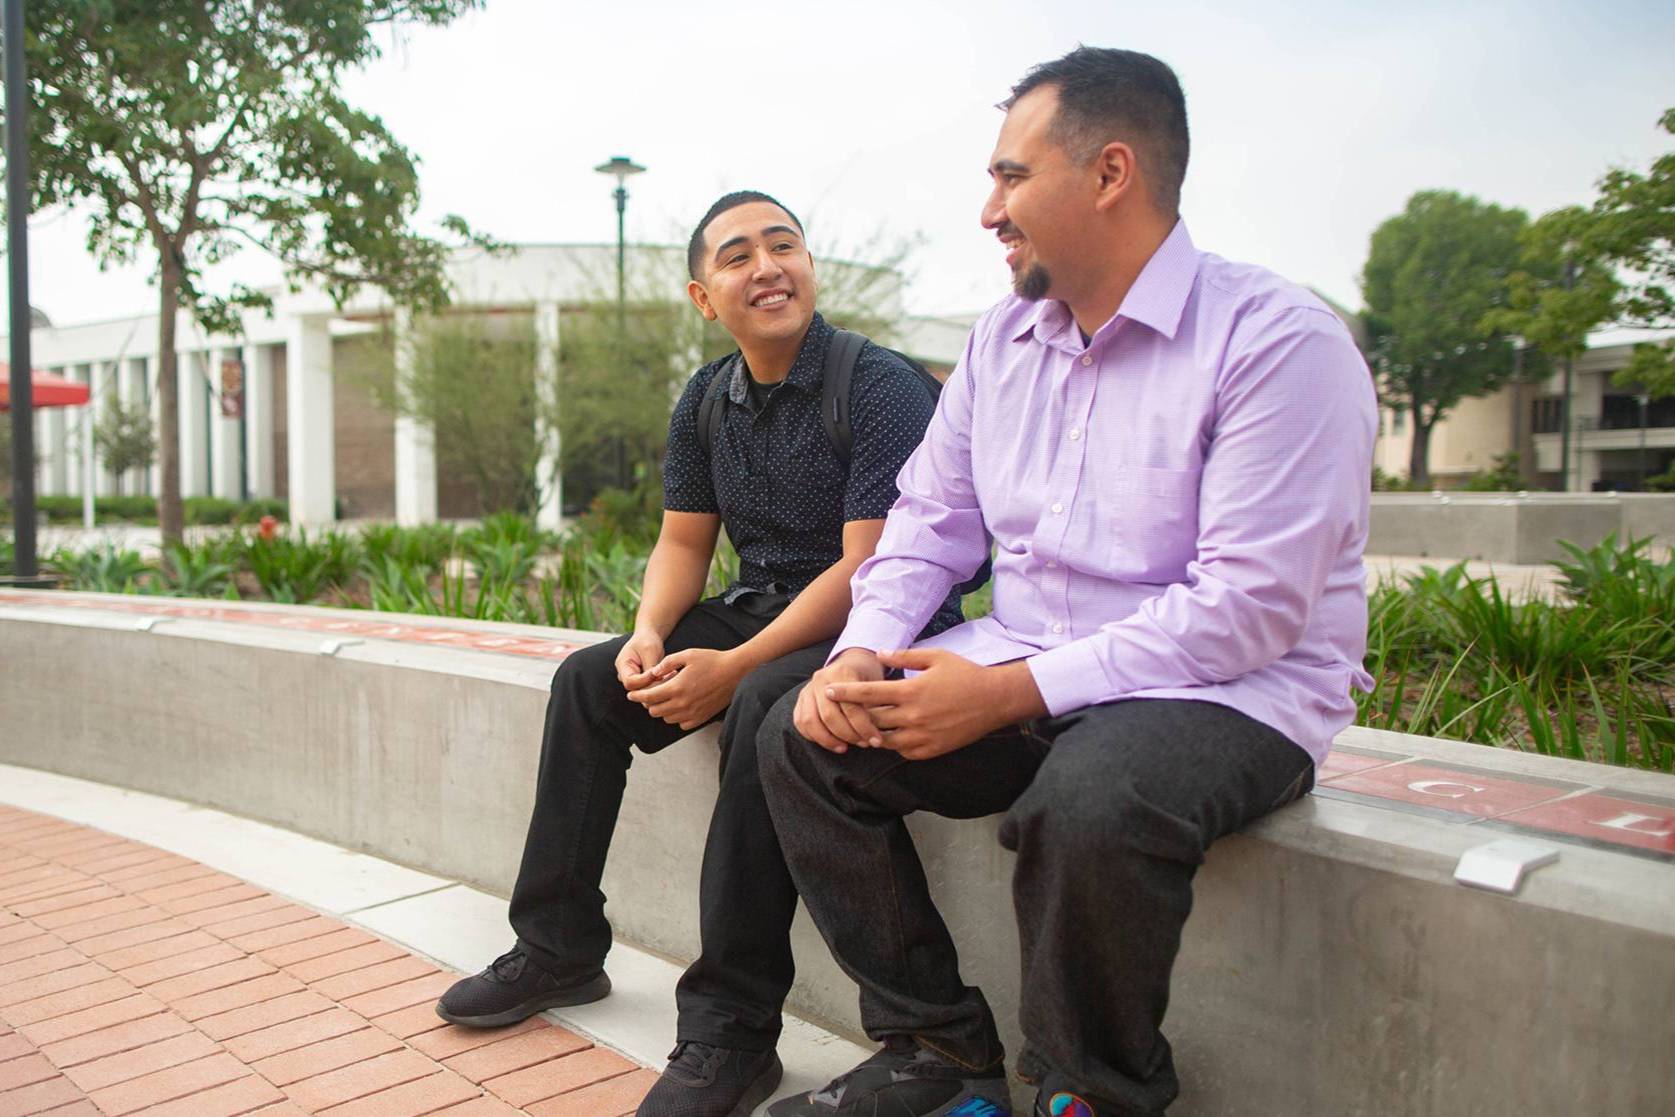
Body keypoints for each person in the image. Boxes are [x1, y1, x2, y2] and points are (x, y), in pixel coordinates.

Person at [758, 47, 1377, 1117]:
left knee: (1089, 798)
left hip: (1228, 693)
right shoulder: (1001, 341)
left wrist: (1003, 693)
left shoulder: (1276, 342)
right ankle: (939, 1052)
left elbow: (1250, 608)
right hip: (1027, 655)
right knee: (802, 730)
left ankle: (1089, 1092)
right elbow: (929, 523)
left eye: (1008, 177)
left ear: (1109, 173)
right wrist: (863, 648)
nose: (987, 211)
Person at [435, 189, 962, 1117]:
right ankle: (557, 945)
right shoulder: (707, 399)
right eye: (737, 255)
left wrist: (737, 663)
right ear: (702, 296)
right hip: (765, 606)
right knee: (590, 683)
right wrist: (647, 635)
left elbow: (872, 567)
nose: (766, 266)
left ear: (808, 267)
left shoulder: (876, 384)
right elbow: (683, 545)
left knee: (759, 700)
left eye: (783, 245)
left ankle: (731, 1030)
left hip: (878, 626)